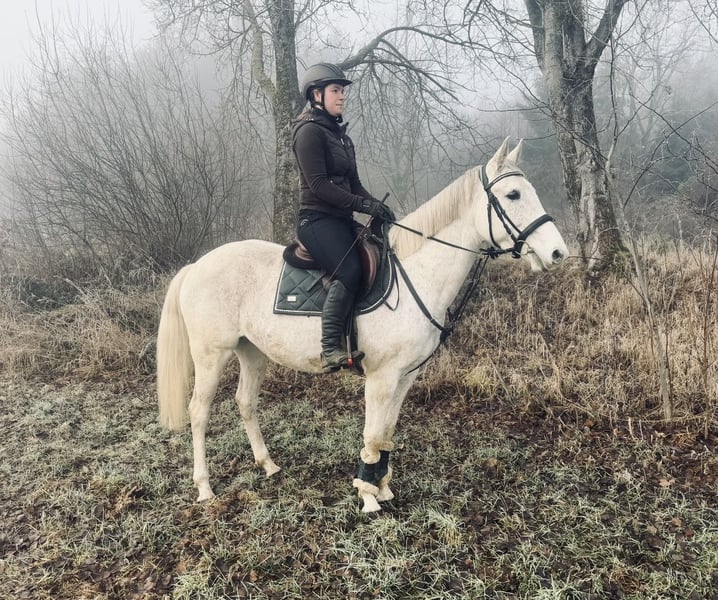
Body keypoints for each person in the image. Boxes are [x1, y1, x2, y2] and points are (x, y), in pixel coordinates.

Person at [292, 62, 395, 373]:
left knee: (381, 252)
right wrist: (361, 205)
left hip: (341, 220)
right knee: (349, 270)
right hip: (316, 220)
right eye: (336, 90)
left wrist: (376, 206)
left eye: (342, 91)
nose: (342, 96)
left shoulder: (342, 138)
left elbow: (355, 185)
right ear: (316, 95)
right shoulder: (308, 132)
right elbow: (319, 186)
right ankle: (329, 348)